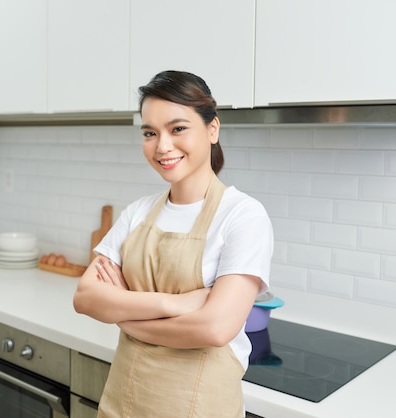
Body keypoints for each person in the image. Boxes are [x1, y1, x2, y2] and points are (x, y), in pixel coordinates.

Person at [73, 70, 274, 418]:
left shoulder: (243, 216)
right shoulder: (139, 211)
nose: (162, 145)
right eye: (150, 133)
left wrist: (127, 317)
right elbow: (86, 298)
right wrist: (179, 303)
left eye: (177, 128)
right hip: (123, 404)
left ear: (212, 129)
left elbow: (214, 328)